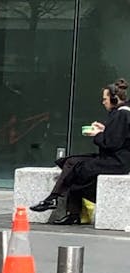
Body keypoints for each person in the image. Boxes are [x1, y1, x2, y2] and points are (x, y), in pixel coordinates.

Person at [31, 79, 130, 224]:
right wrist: (104, 130)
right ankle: (60, 204)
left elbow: (111, 143)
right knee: (71, 162)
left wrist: (96, 134)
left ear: (114, 98)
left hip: (116, 162)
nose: (103, 102)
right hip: (115, 159)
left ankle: (59, 203)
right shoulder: (122, 113)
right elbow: (118, 136)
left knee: (76, 169)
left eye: (105, 99)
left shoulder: (122, 114)